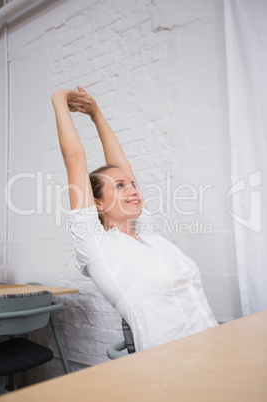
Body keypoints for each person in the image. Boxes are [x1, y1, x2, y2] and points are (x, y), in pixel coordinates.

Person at [51, 86, 218, 352]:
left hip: (215, 347)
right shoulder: (96, 246)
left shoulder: (146, 234)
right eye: (119, 187)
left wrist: (97, 115)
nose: (132, 188)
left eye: (132, 184)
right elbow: (74, 157)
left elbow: (123, 166)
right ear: (96, 203)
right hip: (169, 368)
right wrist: (59, 99)